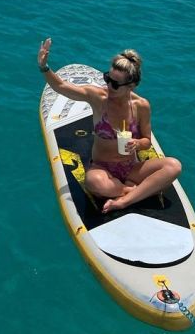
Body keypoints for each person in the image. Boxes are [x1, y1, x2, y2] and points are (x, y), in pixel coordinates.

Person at [38, 38, 181, 213]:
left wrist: (137, 143)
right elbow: (61, 86)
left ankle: (122, 201)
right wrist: (44, 67)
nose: (108, 85)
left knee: (174, 166)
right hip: (102, 167)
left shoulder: (141, 106)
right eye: (107, 78)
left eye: (115, 84)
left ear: (132, 86)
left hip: (131, 167)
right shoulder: (98, 98)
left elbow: (147, 141)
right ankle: (133, 191)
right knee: (93, 182)